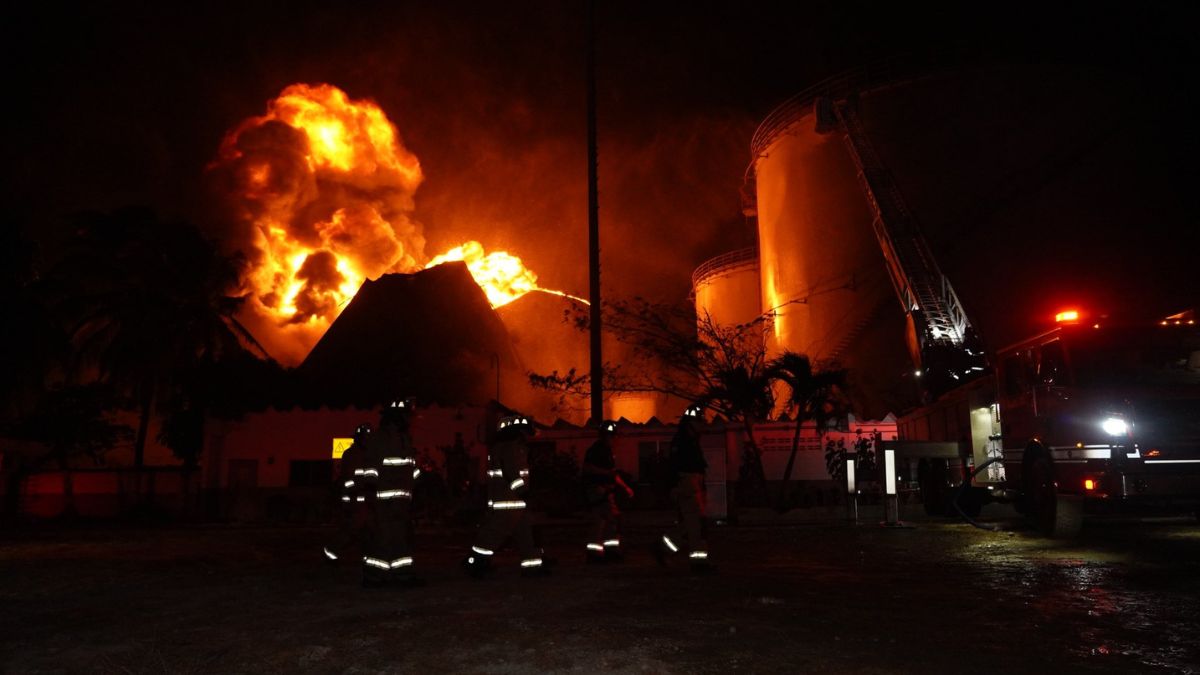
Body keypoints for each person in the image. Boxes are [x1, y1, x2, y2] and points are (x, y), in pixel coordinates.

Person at [463, 414, 549, 578]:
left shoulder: (509, 446)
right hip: (508, 501)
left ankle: (532, 566)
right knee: (494, 534)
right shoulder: (510, 447)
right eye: (525, 431)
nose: (527, 435)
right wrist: (523, 491)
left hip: (515, 501)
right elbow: (511, 471)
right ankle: (476, 562)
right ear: (518, 431)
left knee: (526, 533)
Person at [361, 398, 424, 588]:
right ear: (396, 417)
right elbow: (371, 467)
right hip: (385, 500)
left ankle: (400, 575)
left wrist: (420, 483)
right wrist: (372, 491)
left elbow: (408, 467)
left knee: (399, 538)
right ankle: (376, 577)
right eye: (406, 416)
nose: (409, 420)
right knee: (384, 538)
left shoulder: (404, 439)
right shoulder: (380, 438)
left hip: (401, 500)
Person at [655, 404, 716, 573]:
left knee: (690, 525)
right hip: (687, 485)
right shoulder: (682, 441)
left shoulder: (690, 440)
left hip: (693, 484)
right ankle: (698, 563)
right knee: (695, 524)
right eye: (699, 421)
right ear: (691, 422)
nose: (702, 424)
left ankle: (663, 548)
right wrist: (675, 487)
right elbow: (675, 467)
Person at [582, 420, 633, 563]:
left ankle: (606, 552)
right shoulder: (597, 450)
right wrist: (606, 475)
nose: (615, 439)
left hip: (603, 491)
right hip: (598, 490)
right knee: (604, 521)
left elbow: (613, 474)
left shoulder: (606, 451)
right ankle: (600, 554)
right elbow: (588, 468)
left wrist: (625, 487)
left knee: (606, 521)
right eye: (613, 436)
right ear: (607, 436)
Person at [323, 423, 373, 563]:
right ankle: (332, 551)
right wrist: (355, 491)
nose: (368, 440)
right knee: (354, 529)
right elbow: (349, 478)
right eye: (366, 437)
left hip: (362, 498)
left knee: (367, 529)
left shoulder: (365, 453)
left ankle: (368, 558)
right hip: (354, 499)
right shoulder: (352, 454)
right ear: (360, 438)